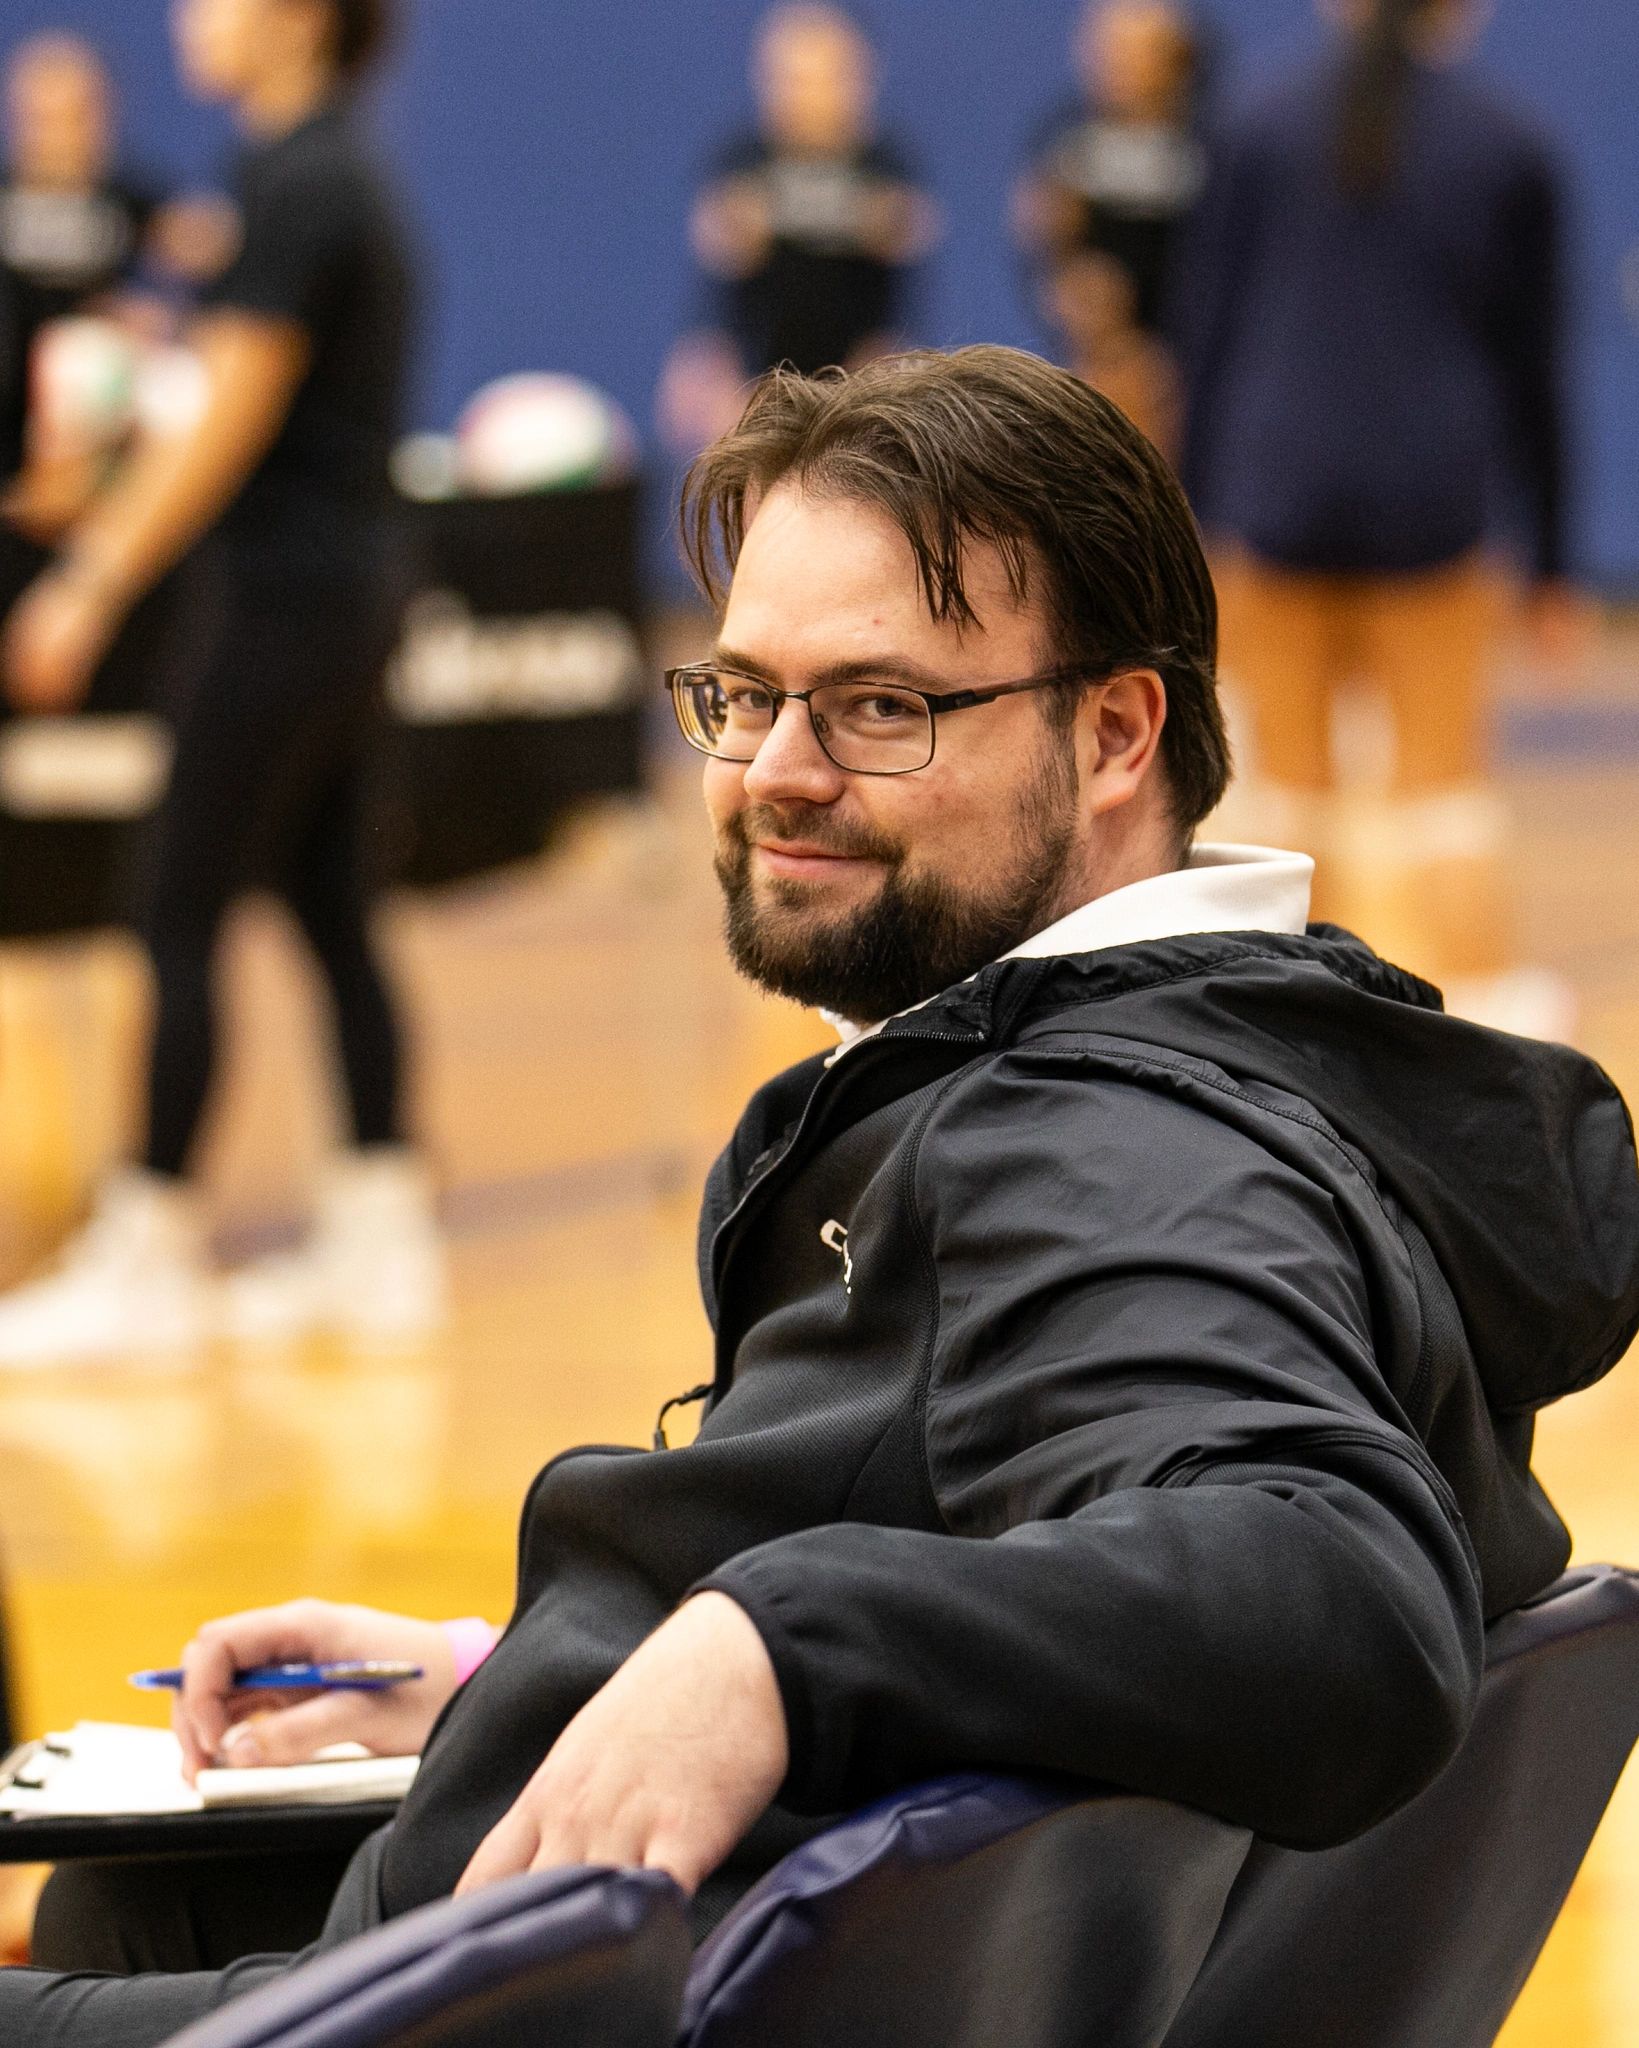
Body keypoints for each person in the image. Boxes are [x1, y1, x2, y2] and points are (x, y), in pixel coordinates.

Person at [3, 345, 1636, 2040]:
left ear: (1114, 732)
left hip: (482, 2009)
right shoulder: (1271, 1051)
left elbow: (1329, 1591)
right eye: (738, 692)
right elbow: (955, 1522)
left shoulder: (1102, 1150)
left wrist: (769, 1645)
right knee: (125, 1886)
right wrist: (541, 1676)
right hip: (567, 1938)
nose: (772, 769)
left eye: (877, 705)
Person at [0, 0, 443, 1364]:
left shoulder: (299, 178)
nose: (195, 11)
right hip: (353, 591)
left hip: (283, 602)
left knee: (173, 902)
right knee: (326, 905)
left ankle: (148, 1257)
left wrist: (88, 582)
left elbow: (229, 417)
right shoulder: (327, 169)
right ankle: (381, 1240)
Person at [1173, 0, 1583, 1020]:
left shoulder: (1251, 123)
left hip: (1273, 510)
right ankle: (1466, 1034)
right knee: (1443, 804)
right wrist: (1553, 562)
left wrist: (1184, 532)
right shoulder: (1509, 143)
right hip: (1433, 518)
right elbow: (1538, 374)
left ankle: (1283, 1022)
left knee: (1283, 805)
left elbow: (1203, 342)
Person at [658, 4, 936, 456]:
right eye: (791, 78)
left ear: (859, 77)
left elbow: (901, 284)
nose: (807, 93)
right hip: (759, 382)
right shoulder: (743, 162)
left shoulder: (885, 167)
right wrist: (703, 362)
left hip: (860, 382)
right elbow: (718, 280)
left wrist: (885, 379)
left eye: (824, 76)